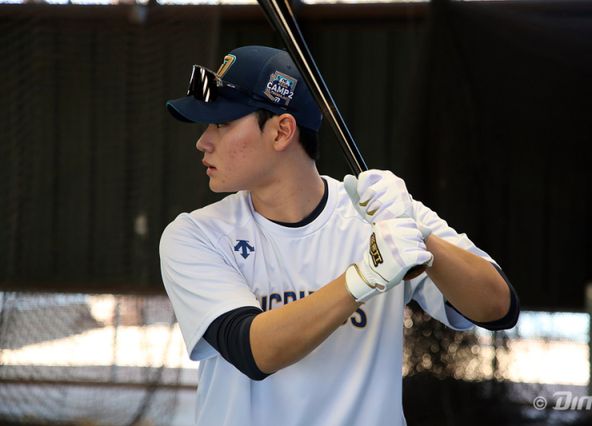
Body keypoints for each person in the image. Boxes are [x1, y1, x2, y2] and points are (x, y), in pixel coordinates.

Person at [159, 45, 519, 426]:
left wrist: (419, 238)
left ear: (282, 131)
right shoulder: (196, 235)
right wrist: (364, 278)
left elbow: (499, 308)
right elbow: (254, 351)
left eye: (222, 124)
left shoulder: (384, 213)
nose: (203, 141)